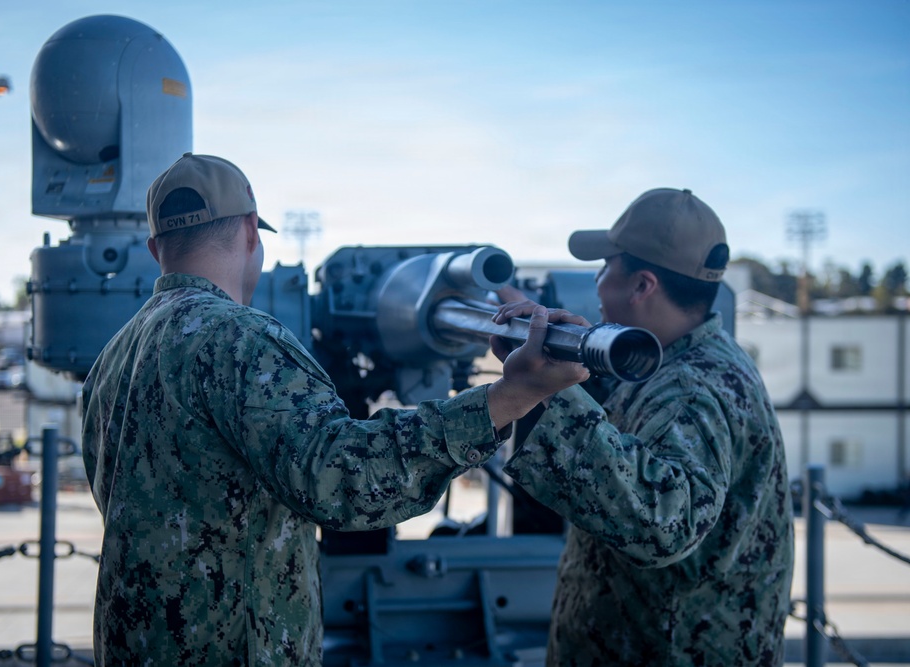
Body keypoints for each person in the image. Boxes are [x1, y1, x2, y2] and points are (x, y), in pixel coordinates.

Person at [80, 152, 590, 667]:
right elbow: (345, 483)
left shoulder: (113, 357)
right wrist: (509, 396)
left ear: (154, 248)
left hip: (134, 642)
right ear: (252, 232)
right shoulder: (244, 340)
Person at [494, 188, 794, 666]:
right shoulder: (689, 361)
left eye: (606, 267)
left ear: (642, 285)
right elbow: (630, 438)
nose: (596, 282)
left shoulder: (691, 387)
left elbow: (661, 523)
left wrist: (543, 387)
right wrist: (555, 348)